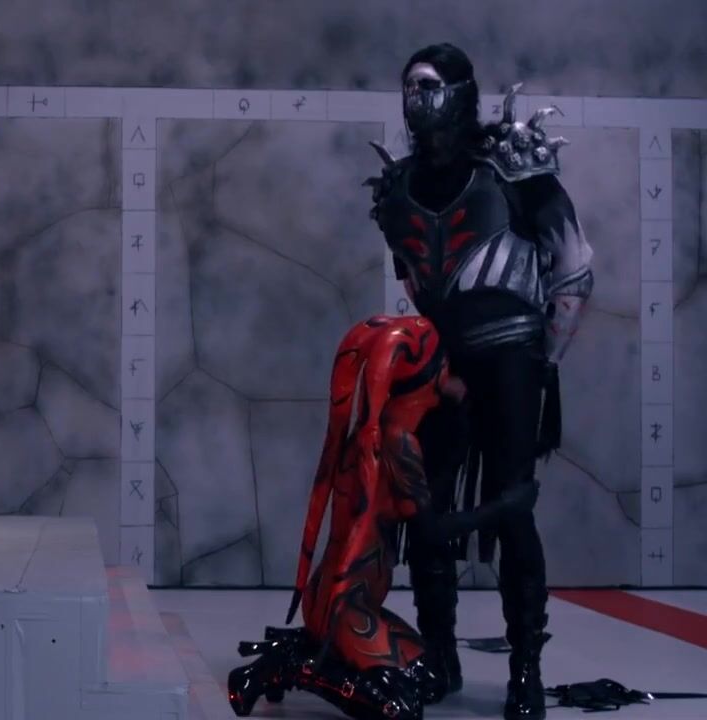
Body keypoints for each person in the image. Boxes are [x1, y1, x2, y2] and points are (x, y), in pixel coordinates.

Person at [364, 43, 595, 720]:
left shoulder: (513, 164)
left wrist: (544, 360)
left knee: (511, 508)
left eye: (431, 85)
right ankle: (439, 656)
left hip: (513, 360)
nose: (418, 99)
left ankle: (526, 670)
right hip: (439, 366)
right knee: (424, 509)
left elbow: (573, 265)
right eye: (410, 86)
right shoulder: (399, 189)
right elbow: (414, 277)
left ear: (462, 92)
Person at [226, 315, 537, 720]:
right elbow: (431, 532)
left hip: (339, 599)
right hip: (347, 608)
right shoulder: (397, 444)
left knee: (432, 676)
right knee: (403, 707)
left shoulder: (376, 434)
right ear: (430, 374)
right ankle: (293, 667)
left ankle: (301, 648)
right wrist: (506, 506)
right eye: (446, 364)